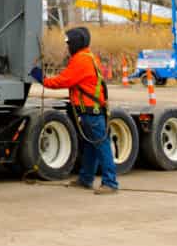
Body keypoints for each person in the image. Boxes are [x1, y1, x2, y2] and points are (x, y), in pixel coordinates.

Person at [29, 26, 118, 195]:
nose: (67, 47)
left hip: (91, 112)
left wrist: (41, 78)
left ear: (76, 43)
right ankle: (86, 179)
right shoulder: (88, 57)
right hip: (92, 111)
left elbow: (63, 81)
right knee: (92, 146)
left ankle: (110, 183)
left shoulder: (81, 61)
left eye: (69, 43)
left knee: (101, 146)